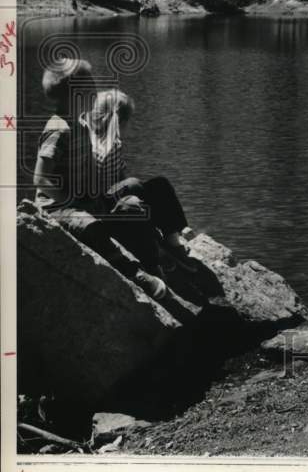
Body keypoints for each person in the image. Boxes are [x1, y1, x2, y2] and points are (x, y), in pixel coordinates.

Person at [33, 62, 169, 299]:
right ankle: (135, 274)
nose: (96, 94)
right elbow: (41, 178)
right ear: (75, 95)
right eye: (90, 89)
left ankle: (156, 250)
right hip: (57, 208)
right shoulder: (58, 129)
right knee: (92, 227)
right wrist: (70, 200)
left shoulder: (82, 124)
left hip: (84, 198)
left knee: (133, 192)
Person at [81, 87, 198, 271]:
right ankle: (160, 247)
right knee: (134, 184)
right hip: (102, 206)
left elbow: (120, 176)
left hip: (115, 196)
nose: (128, 126)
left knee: (160, 183)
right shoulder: (91, 145)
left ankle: (173, 238)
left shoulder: (115, 144)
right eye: (125, 122)